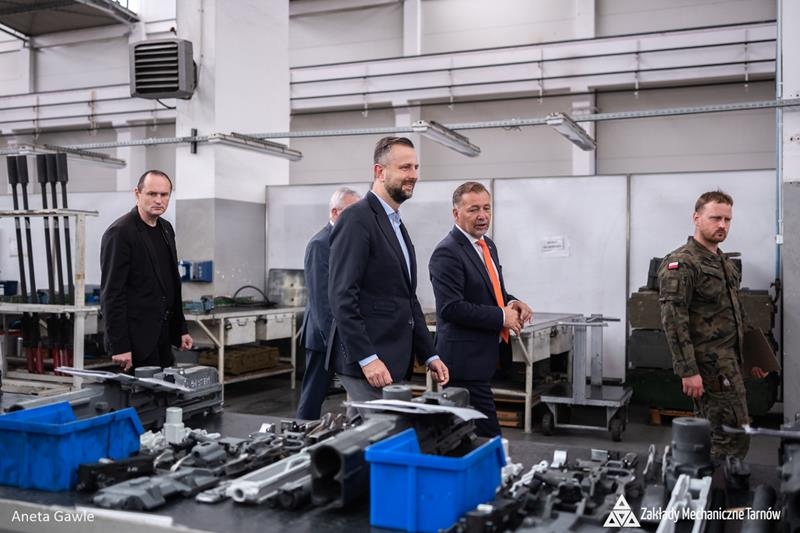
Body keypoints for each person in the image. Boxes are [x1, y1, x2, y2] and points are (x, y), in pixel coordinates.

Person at [328, 136, 449, 403]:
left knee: (366, 429)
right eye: (405, 167)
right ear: (379, 172)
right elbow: (342, 297)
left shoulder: (394, 223)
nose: (414, 175)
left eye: (415, 167)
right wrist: (367, 358)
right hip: (370, 363)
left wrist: (429, 353)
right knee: (385, 427)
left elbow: (407, 298)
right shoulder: (356, 219)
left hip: (392, 360)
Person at [658, 190, 766, 460]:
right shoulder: (682, 263)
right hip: (708, 368)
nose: (722, 225)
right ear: (696, 218)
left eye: (727, 220)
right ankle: (717, 485)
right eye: (715, 218)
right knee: (727, 437)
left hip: (731, 363)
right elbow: (674, 320)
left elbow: (737, 311)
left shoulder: (724, 263)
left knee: (730, 431)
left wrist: (755, 355)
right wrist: (688, 371)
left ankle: (713, 480)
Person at [429, 181, 533, 437]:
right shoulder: (447, 253)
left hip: (484, 359)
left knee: (468, 438)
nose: (482, 215)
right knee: (487, 437)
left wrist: (513, 303)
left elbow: (492, 292)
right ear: (456, 213)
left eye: (487, 208)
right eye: (473, 209)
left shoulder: (487, 246)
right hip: (462, 364)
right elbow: (451, 308)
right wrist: (501, 316)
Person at [101, 170, 192, 371]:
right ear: (137, 193)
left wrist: (181, 329)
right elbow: (112, 294)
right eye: (152, 194)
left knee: (167, 388)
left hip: (163, 336)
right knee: (142, 391)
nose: (159, 200)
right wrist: (120, 346)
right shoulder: (120, 233)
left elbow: (171, 284)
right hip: (136, 342)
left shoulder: (166, 229)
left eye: (164, 194)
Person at [296, 187, 361, 420]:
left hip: (343, 334)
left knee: (357, 391)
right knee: (314, 393)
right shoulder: (320, 244)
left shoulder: (349, 242)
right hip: (324, 337)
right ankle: (301, 433)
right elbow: (321, 300)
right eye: (352, 213)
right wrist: (334, 339)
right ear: (335, 212)